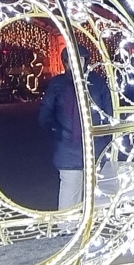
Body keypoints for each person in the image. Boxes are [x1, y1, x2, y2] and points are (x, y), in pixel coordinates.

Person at [38, 52, 84, 209]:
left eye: (80, 59)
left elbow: (107, 112)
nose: (76, 63)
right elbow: (45, 114)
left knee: (88, 193)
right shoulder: (58, 84)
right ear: (66, 62)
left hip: (93, 147)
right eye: (72, 59)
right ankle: (68, 223)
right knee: (71, 189)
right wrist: (59, 132)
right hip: (69, 148)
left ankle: (81, 222)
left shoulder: (96, 83)